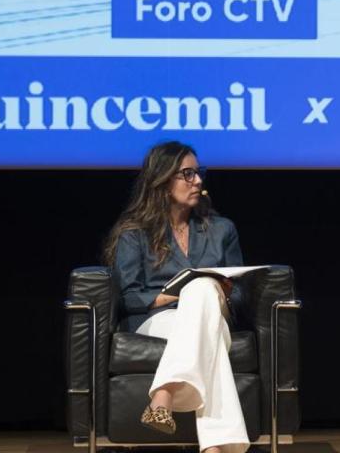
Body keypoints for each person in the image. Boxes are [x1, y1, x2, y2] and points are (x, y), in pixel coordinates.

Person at [104, 141, 247, 453]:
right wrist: (175, 294)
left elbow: (241, 297)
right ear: (162, 179)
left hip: (212, 315)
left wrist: (222, 292)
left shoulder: (221, 229)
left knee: (204, 290)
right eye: (187, 174)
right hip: (155, 322)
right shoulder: (134, 233)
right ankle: (215, 445)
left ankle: (164, 394)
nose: (197, 181)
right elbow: (128, 298)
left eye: (198, 173)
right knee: (199, 293)